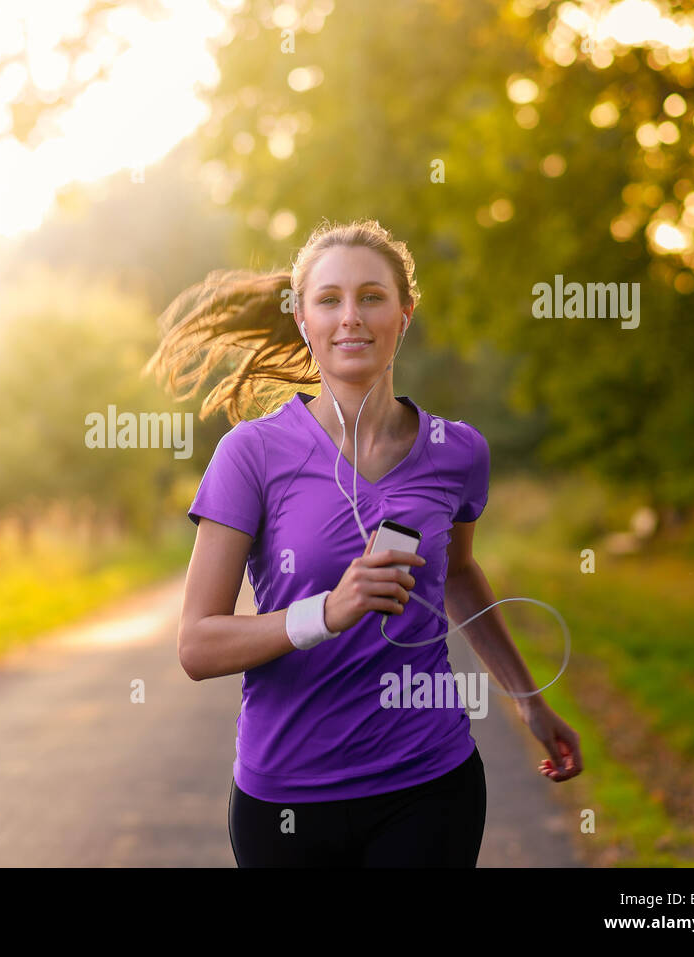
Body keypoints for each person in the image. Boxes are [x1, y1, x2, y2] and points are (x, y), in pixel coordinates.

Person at [145, 218, 583, 867]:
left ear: (404, 314)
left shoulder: (457, 451)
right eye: (330, 299)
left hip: (429, 784)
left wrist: (528, 699)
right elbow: (197, 644)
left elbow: (457, 574)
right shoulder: (252, 455)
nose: (351, 316)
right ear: (302, 318)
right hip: (288, 799)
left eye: (372, 296)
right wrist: (326, 612)